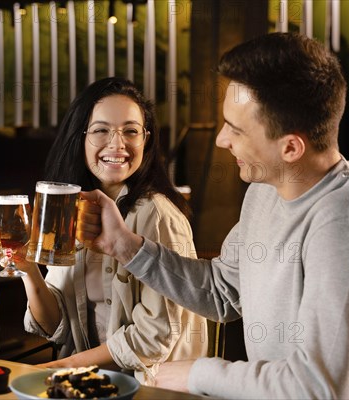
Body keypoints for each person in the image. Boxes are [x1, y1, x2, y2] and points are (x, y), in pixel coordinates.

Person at [77, 33, 349, 398]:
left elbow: (321, 389)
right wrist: (127, 247)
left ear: (290, 147)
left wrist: (200, 374)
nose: (221, 140)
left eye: (236, 129)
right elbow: (221, 291)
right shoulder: (266, 188)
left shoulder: (342, 224)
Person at [18, 77, 211, 385]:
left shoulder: (158, 214)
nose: (117, 144)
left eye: (131, 131)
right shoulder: (69, 208)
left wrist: (64, 367)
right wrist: (29, 270)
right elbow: (56, 325)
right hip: (93, 385)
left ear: (146, 140)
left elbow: (152, 339)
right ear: (79, 137)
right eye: (101, 130)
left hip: (155, 389)